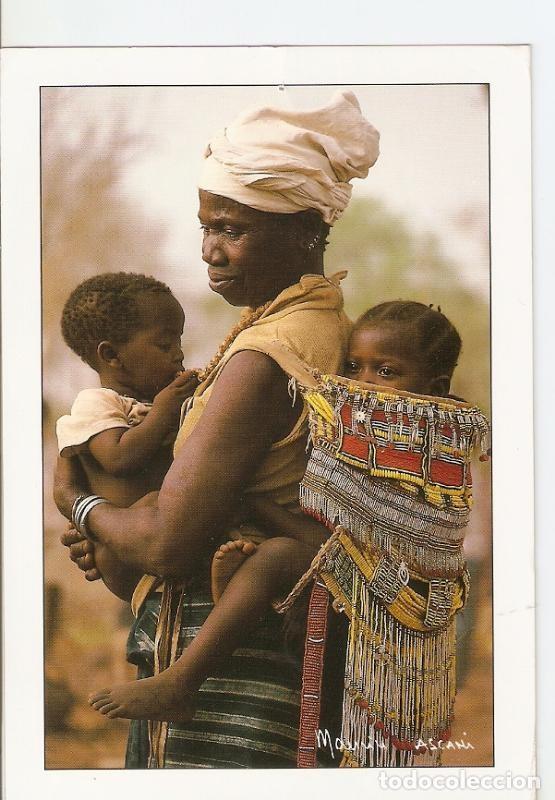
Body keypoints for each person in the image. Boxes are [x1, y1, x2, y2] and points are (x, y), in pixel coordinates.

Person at [54, 90, 380, 769]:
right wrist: (119, 535)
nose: (211, 250)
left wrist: (81, 506)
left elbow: (169, 543)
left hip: (231, 674)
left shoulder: (266, 355)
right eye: (206, 227)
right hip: (266, 644)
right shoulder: (315, 326)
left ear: (305, 231)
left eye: (232, 229)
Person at [86, 300, 463, 724]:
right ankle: (231, 586)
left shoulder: (426, 451)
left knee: (278, 556)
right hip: (340, 567)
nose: (362, 381)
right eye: (354, 366)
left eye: (386, 371)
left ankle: (182, 683)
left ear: (436, 387)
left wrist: (251, 504)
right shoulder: (356, 428)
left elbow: (350, 547)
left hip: (389, 595)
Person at [56, 272, 198, 600]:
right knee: (154, 504)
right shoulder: (96, 403)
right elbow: (119, 458)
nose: (178, 354)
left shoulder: (155, 402)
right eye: (165, 345)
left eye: (178, 342)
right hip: (123, 553)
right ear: (111, 356)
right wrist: (164, 412)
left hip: (160, 541)